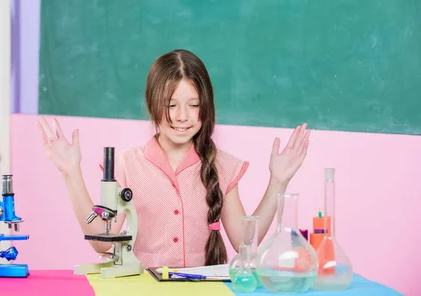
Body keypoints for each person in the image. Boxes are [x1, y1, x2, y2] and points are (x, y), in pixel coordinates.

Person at [37, 49, 310, 269]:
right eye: (170, 105)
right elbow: (101, 241)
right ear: (153, 104)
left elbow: (244, 242)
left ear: (207, 106)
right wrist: (70, 172)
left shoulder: (222, 166)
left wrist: (278, 182)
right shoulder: (127, 165)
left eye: (193, 105)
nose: (182, 116)